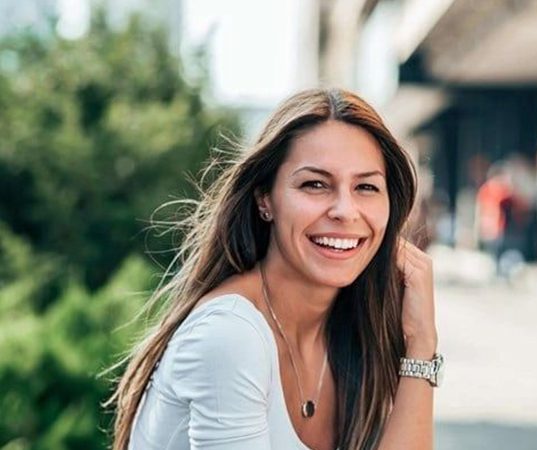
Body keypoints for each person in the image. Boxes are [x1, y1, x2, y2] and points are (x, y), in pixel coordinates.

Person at [107, 88, 443, 450]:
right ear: (265, 199)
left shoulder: (351, 328)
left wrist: (421, 343)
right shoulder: (230, 333)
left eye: (366, 186)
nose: (345, 211)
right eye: (315, 184)